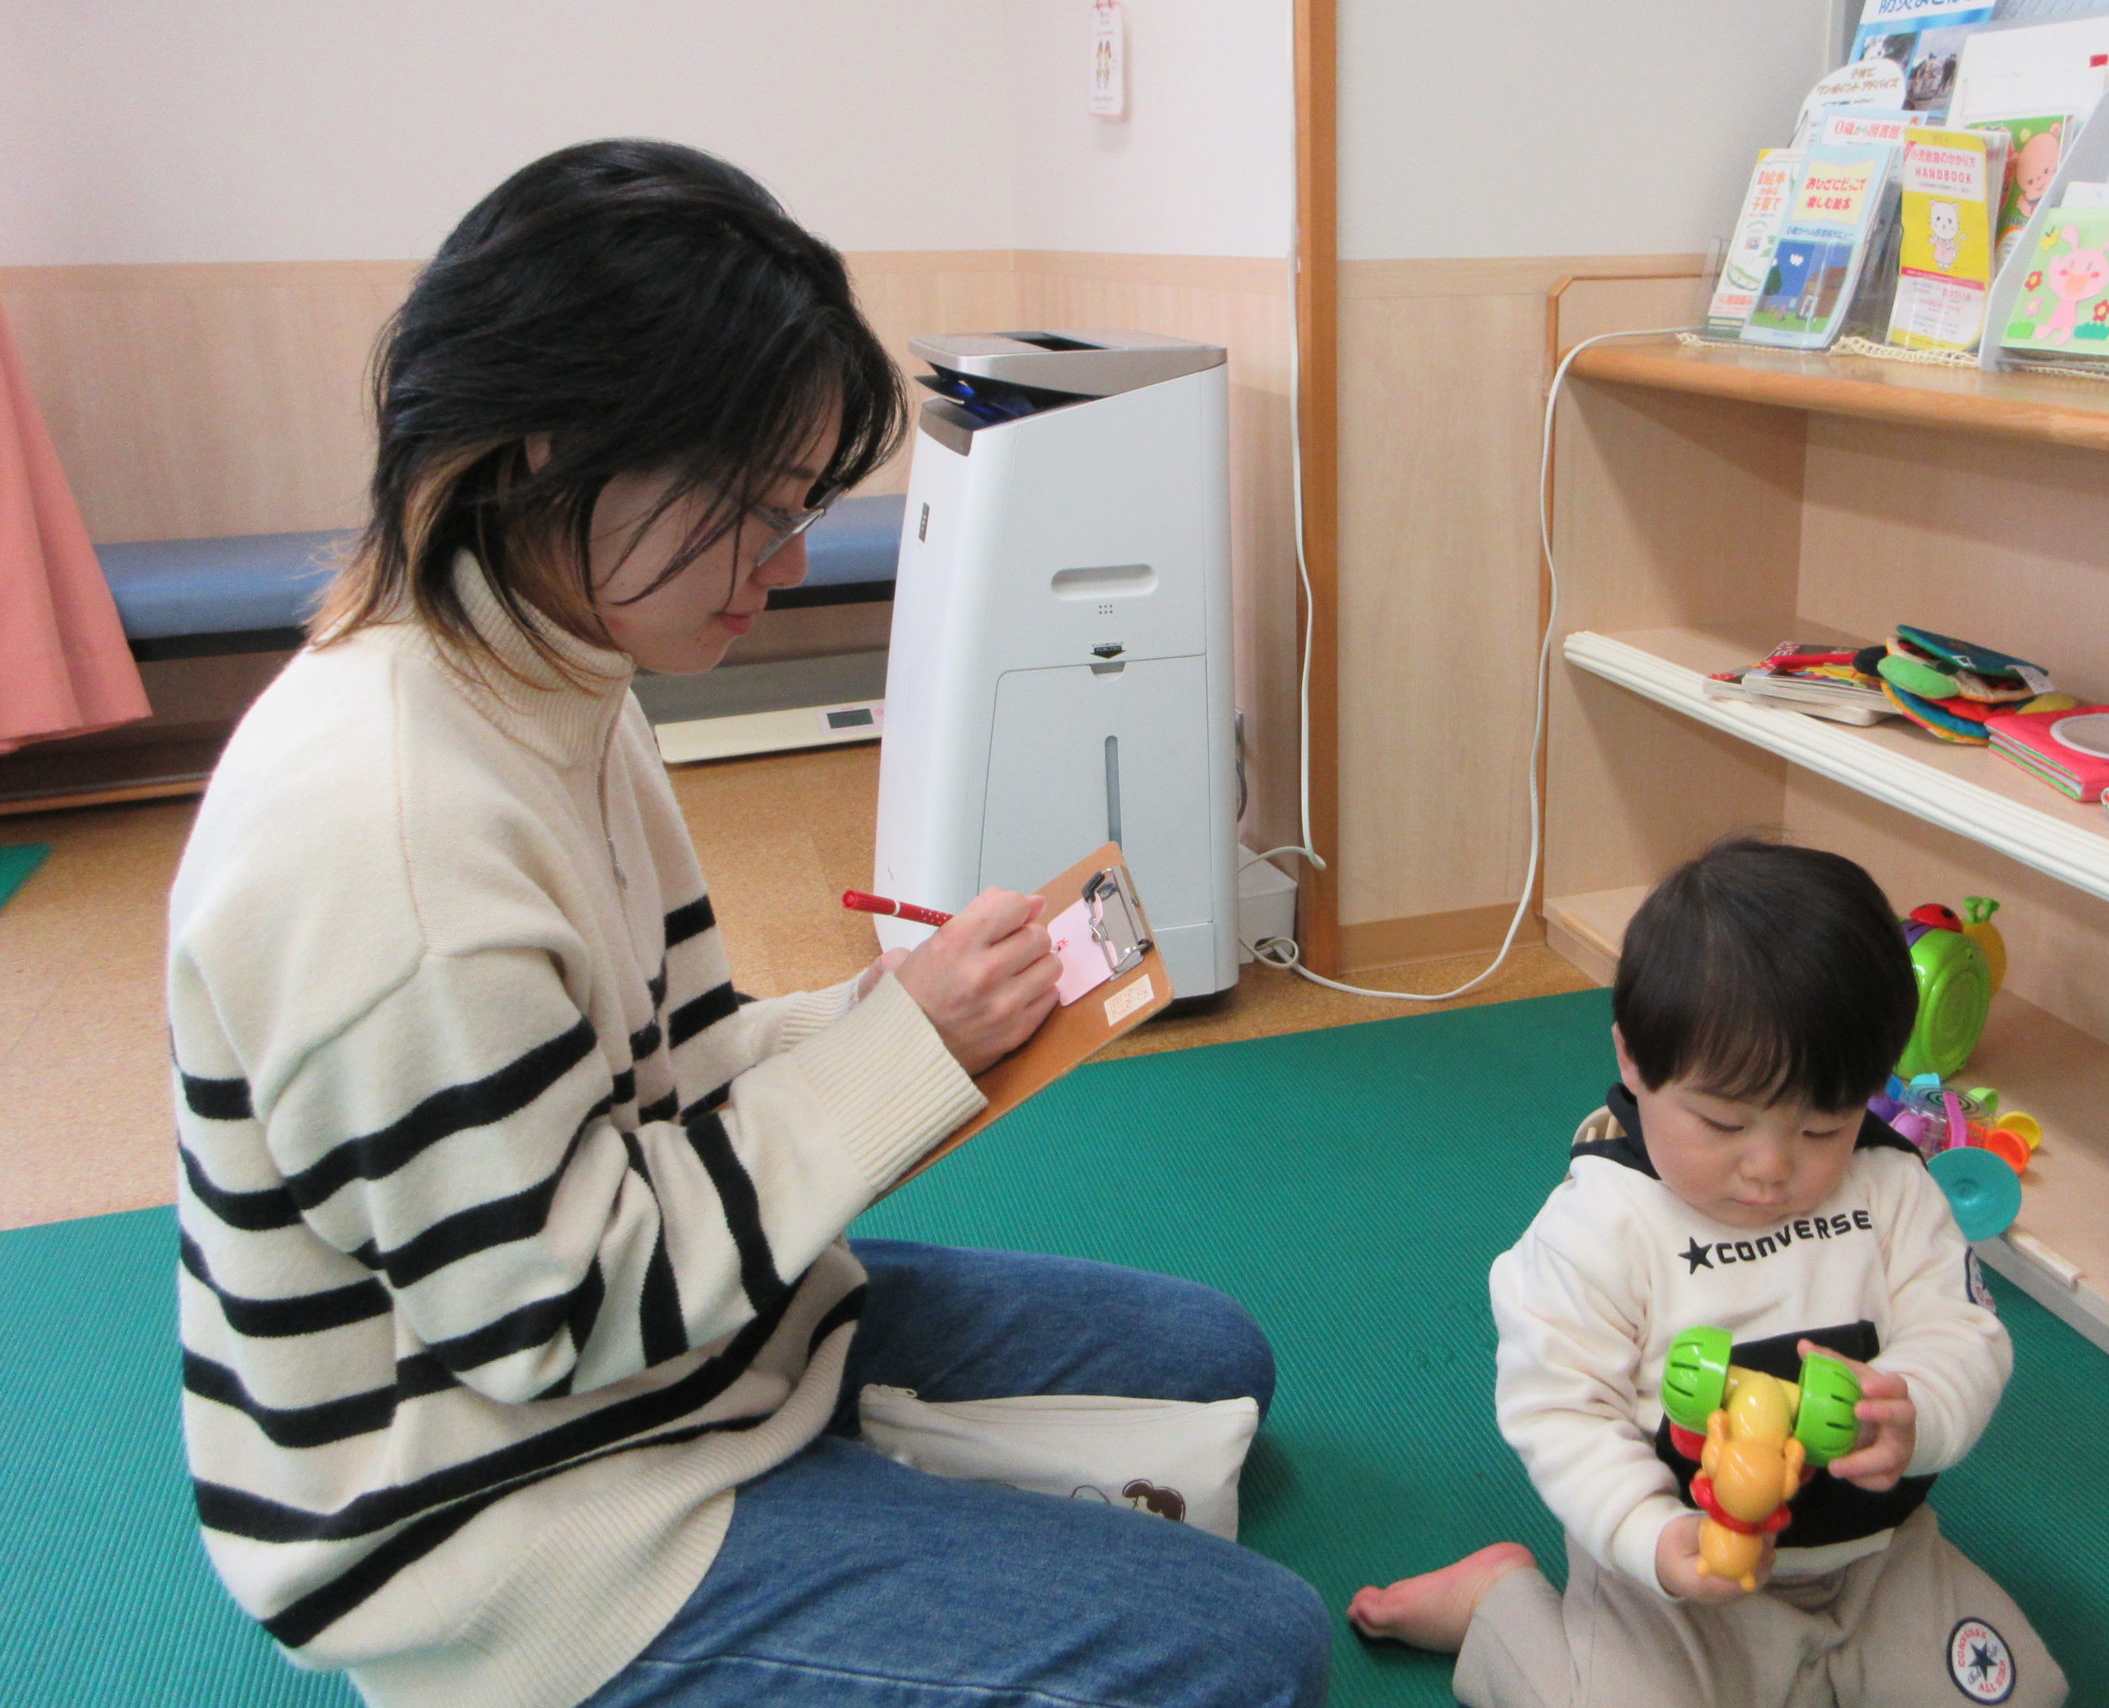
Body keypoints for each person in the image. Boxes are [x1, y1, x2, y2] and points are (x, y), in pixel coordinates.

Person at [169, 140, 1328, 1708]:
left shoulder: (552, 677)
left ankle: (855, 1519)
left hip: (689, 1363)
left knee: (1211, 1359)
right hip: (513, 1515)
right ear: (548, 448)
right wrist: (900, 1057)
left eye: (799, 508)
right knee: (1251, 1654)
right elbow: (555, 1316)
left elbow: (662, 1081)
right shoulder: (387, 831)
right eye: (750, 511)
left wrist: (893, 1015)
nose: (785, 566)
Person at [1348, 837, 2063, 1707]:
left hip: (1880, 1561)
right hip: (1677, 1580)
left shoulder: (1890, 1187)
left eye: (1822, 1127)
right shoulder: (1600, 1226)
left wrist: (1918, 1411)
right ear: (1634, 1061)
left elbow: (1962, 1329)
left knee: (2021, 1694)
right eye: (1725, 1125)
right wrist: (1649, 1535)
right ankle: (1499, 1605)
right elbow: (1562, 1410)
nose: (1771, 1168)